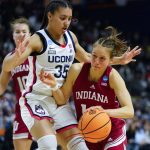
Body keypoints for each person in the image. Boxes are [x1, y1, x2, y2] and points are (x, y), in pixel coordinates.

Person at [3, 0, 141, 149]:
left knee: (80, 147)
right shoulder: (38, 39)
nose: (67, 23)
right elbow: (6, 66)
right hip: (37, 99)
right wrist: (16, 57)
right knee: (48, 144)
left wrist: (120, 60)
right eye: (62, 18)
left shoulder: (71, 38)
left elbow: (90, 59)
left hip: (59, 101)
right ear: (50, 16)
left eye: (69, 19)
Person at [40, 26, 135, 150]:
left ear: (111, 60)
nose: (96, 61)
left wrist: (104, 112)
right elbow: (62, 100)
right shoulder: (76, 70)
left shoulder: (113, 77)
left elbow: (129, 111)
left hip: (112, 131)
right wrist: (53, 85)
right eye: (94, 56)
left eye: (102, 58)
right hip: (87, 132)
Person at [0, 18, 34, 150]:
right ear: (13, 36)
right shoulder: (9, 58)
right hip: (22, 111)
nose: (21, 34)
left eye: (24, 31)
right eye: (17, 32)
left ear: (30, 35)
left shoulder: (38, 53)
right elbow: (1, 87)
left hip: (43, 108)